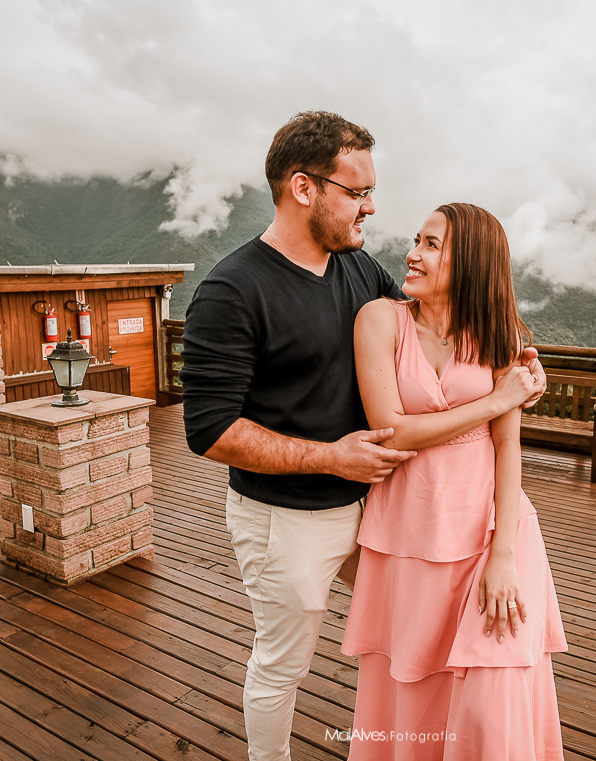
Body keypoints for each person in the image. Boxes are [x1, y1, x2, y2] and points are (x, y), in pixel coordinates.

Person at [180, 113, 546, 761]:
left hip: (374, 507)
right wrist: (330, 456)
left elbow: (425, 320)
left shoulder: (357, 269)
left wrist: (511, 350)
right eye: (357, 192)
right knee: (284, 662)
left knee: (416, 636)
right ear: (304, 188)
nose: (371, 207)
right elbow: (209, 429)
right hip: (285, 518)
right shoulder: (231, 291)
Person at [342, 203, 567, 759]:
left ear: (471, 262)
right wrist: (495, 400)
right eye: (416, 240)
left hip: (490, 530)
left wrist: (503, 553)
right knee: (413, 688)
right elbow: (390, 433)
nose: (412, 255)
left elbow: (507, 445)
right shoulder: (379, 320)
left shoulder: (502, 334)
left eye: (432, 244)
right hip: (408, 530)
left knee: (495, 701)